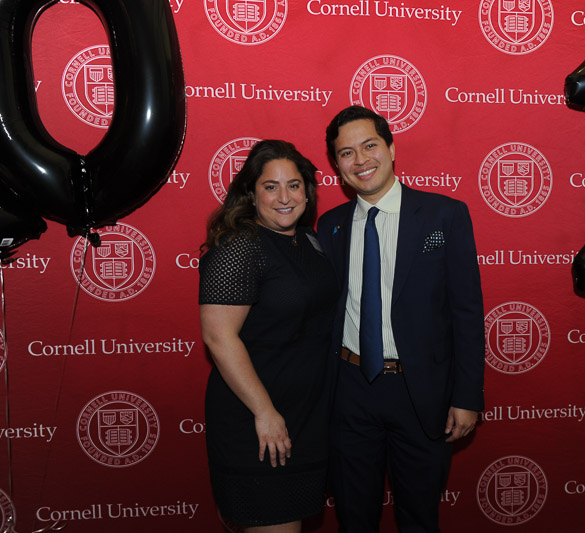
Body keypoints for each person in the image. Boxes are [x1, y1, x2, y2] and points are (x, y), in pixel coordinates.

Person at [317, 106, 485, 532]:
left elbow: (466, 312)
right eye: (346, 153)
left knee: (419, 517)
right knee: (354, 518)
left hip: (421, 393)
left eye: (370, 145)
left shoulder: (444, 216)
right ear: (336, 165)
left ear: (391, 148)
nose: (361, 160)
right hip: (350, 390)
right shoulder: (330, 226)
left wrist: (467, 396)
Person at [199, 139, 337, 533]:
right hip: (260, 421)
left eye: (294, 185)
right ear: (251, 191)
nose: (284, 197)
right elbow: (219, 337)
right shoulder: (241, 247)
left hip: (306, 417)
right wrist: (265, 412)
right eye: (270, 186)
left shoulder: (308, 241)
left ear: (307, 192)